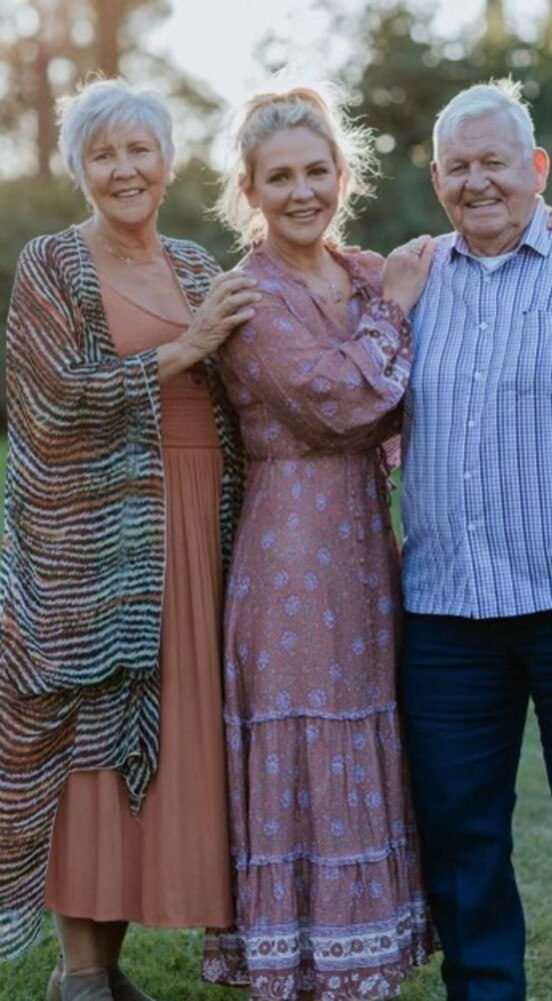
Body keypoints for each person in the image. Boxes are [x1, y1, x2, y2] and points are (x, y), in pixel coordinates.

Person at [0, 78, 259, 1001]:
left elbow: (292, 316)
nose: (123, 169)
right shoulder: (51, 263)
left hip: (193, 531)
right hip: (96, 551)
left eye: (138, 150)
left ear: (167, 162)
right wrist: (179, 352)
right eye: (102, 154)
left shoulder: (196, 265)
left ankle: (108, 971)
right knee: (93, 750)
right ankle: (80, 974)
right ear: (79, 170)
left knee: (164, 748)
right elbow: (47, 401)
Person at [400, 77, 552, 1001]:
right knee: (461, 836)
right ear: (435, 179)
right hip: (448, 614)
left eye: (495, 161)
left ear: (536, 169)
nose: (478, 181)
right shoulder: (408, 281)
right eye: (458, 166)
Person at [200, 86, 437, 1001]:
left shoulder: (373, 272)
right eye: (280, 177)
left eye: (316, 170)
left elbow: (478, 253)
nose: (303, 191)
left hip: (366, 551)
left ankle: (360, 954)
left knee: (365, 723)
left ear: (344, 175)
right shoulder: (248, 298)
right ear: (250, 190)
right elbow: (344, 399)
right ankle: (299, 961)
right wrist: (395, 313)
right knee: (305, 737)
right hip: (289, 548)